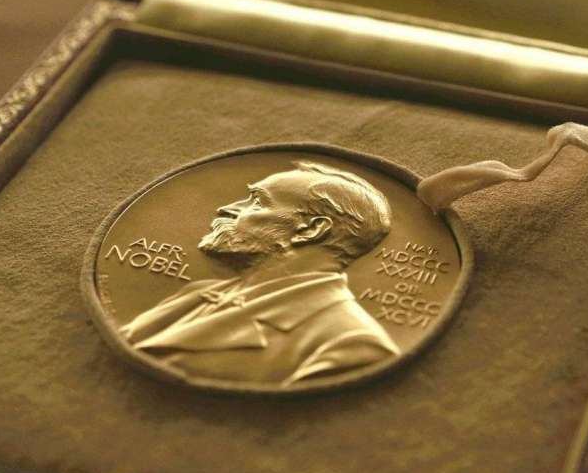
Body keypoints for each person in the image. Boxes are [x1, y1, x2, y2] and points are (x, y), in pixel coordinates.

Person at [120, 161, 400, 386]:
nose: (226, 208)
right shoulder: (198, 294)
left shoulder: (352, 343)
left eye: (257, 201)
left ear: (311, 229)